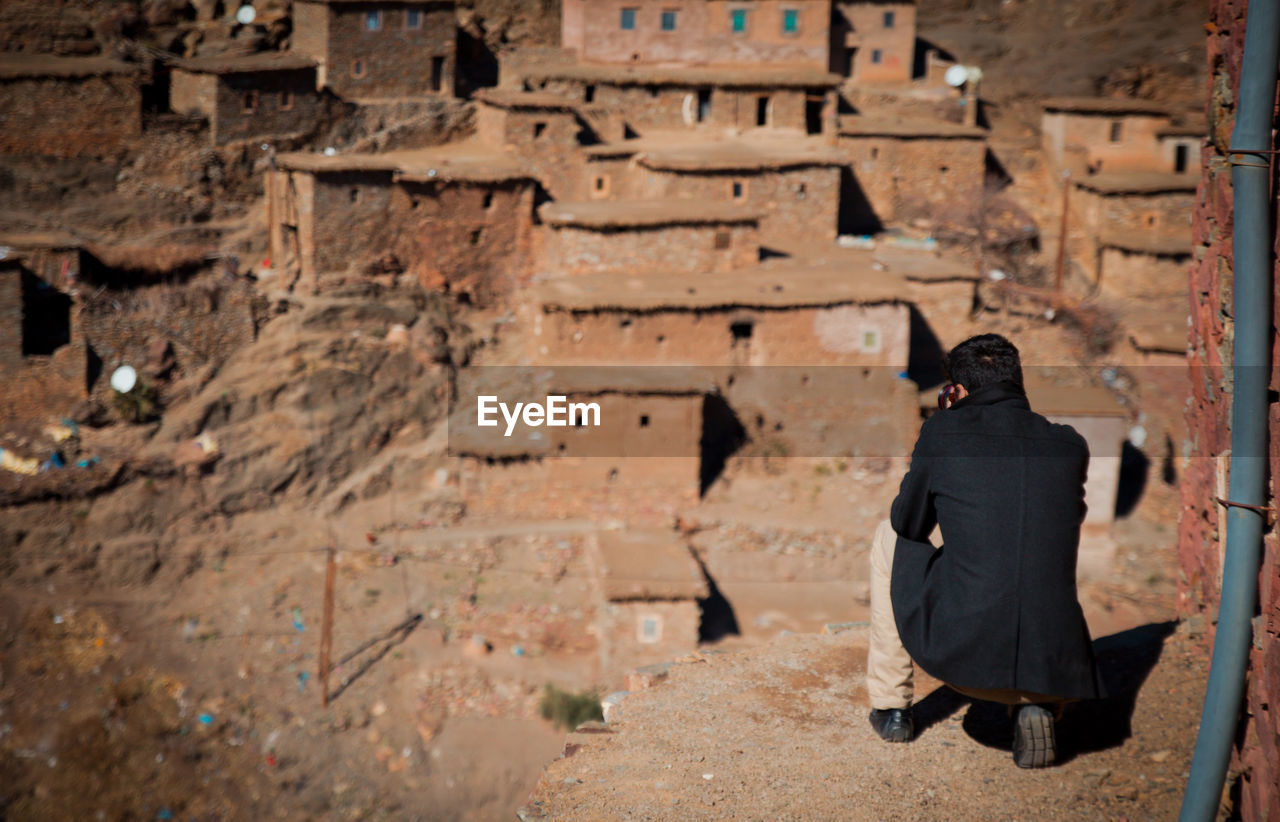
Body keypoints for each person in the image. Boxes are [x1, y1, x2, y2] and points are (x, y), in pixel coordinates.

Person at [865, 333, 1105, 768]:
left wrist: (944, 428)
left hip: (964, 661)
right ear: (1018, 383)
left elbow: (909, 524)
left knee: (888, 537)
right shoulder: (1069, 444)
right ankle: (1037, 703)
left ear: (954, 392)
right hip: (1056, 664)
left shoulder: (942, 431)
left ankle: (892, 706)